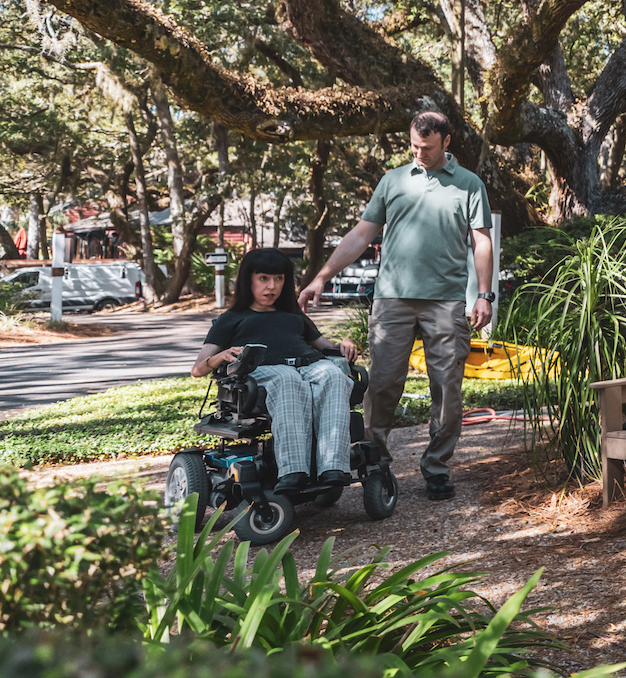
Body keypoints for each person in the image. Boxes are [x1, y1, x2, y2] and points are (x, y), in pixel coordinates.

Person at [299, 111, 493, 502]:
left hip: (445, 301)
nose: (420, 153)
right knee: (383, 384)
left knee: (447, 388)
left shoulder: (469, 184)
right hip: (392, 300)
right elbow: (361, 234)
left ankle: (437, 468)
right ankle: (377, 463)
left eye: (428, 147)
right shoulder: (393, 181)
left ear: (446, 142)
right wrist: (322, 276)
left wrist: (484, 294)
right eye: (415, 146)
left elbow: (482, 241)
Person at [192, 248, 360, 494]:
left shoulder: (293, 315)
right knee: (287, 378)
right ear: (248, 280)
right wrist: (220, 356)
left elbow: (326, 347)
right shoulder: (232, 318)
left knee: (333, 375)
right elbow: (198, 369)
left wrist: (344, 343)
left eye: (278, 279)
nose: (271, 287)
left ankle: (333, 467)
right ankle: (293, 471)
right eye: (263, 278)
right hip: (264, 371)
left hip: (308, 365)